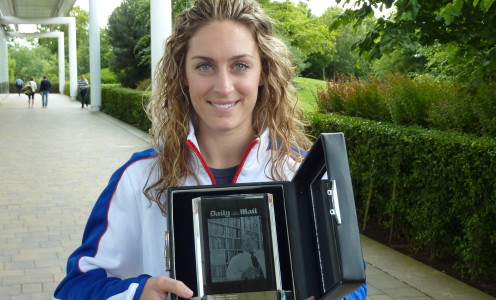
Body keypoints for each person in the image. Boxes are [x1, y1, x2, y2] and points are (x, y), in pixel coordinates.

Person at [54, 0, 367, 299]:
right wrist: (139, 293)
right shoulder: (139, 178)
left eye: (240, 65)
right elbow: (75, 286)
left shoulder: (300, 174)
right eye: (204, 66)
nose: (224, 86)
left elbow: (353, 283)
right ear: (183, 77)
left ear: (264, 73)